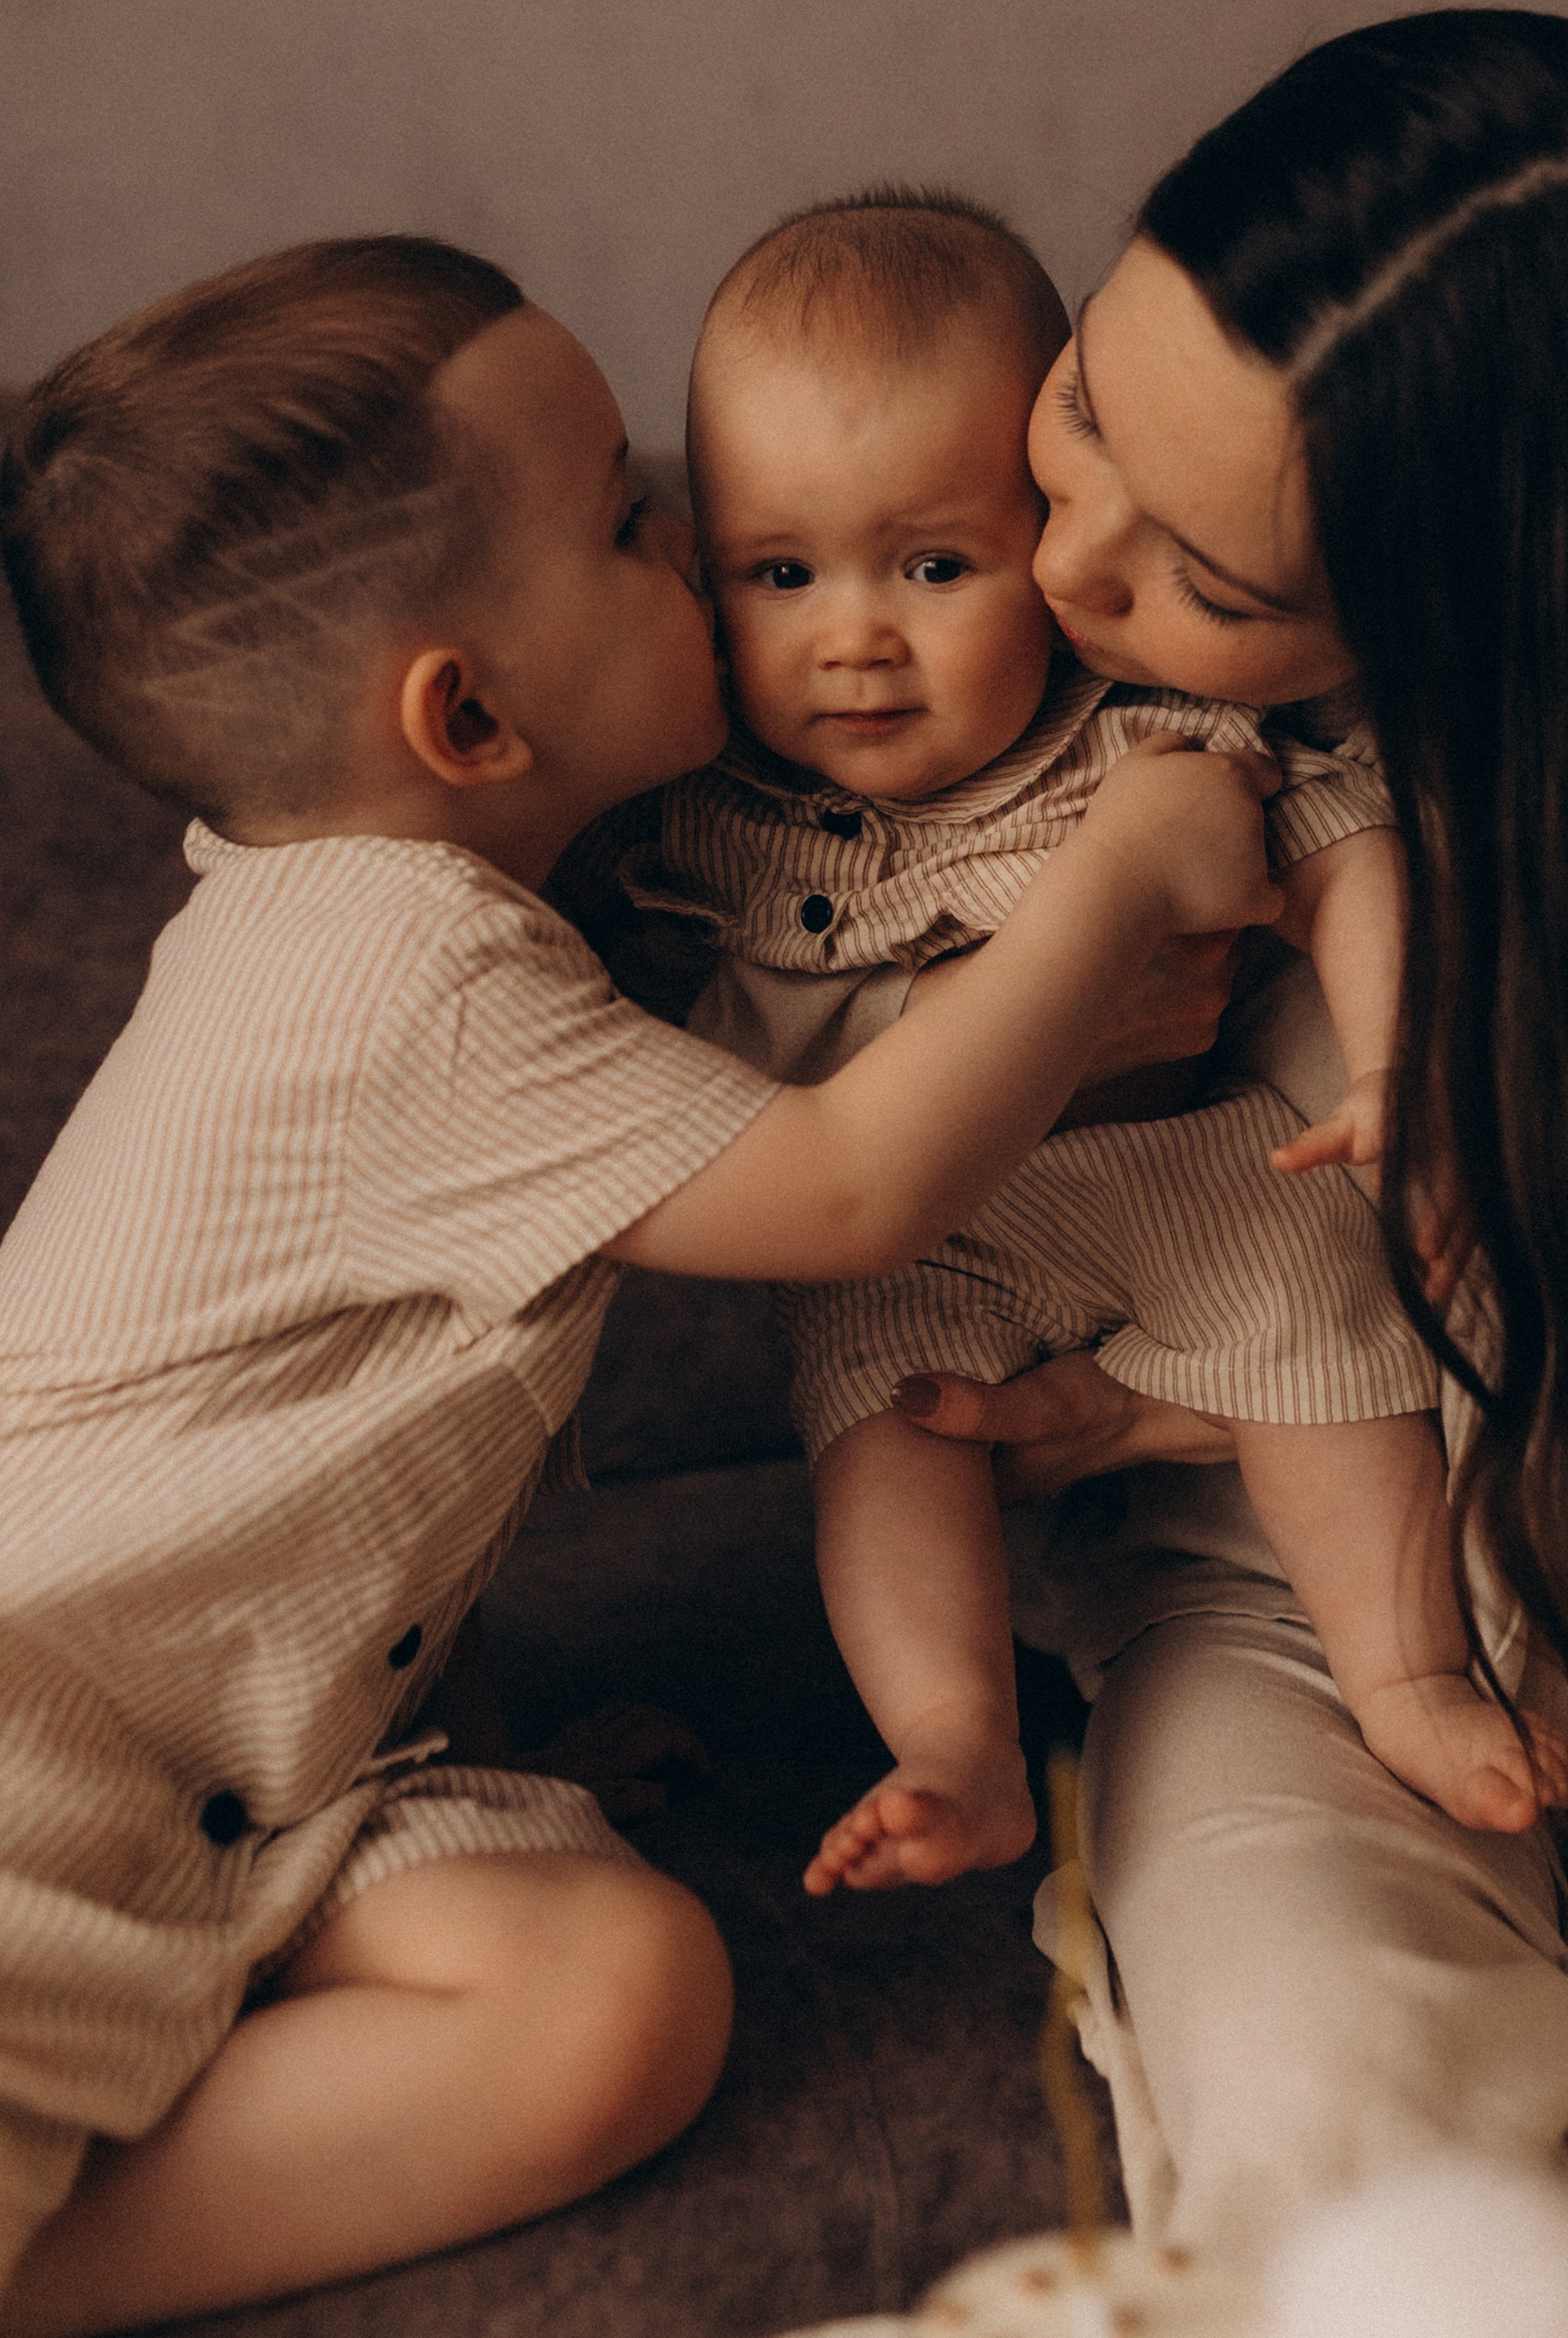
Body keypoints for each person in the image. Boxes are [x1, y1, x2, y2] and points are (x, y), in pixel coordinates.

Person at [0, 239, 1276, 2335]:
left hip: (256, 1773)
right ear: (469, 712)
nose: (694, 545)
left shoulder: (430, 934)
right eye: (626, 517)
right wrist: (1126, 860)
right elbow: (859, 1182)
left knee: (621, 1992)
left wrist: (461, 1725)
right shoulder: (392, 965)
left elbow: (333, 1460)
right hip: (40, 1749)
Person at [892, 11, 1568, 2334]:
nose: (1056, 565)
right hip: (1279, 1579)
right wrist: (1155, 1390)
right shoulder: (950, 655)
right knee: (1359, 2178)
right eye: (1083, 403)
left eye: (1214, 582)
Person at [559, 187, 1558, 1903]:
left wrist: (1395, 1069)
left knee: (1316, 1332)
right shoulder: (702, 805)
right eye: (778, 572)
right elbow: (677, 1078)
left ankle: (1405, 1676)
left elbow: (1342, 854)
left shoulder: (1145, 721)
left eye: (933, 565)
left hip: (1193, 1168)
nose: (851, 636)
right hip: (919, 1239)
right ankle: (954, 1742)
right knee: (876, 1420)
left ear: (1047, 531)